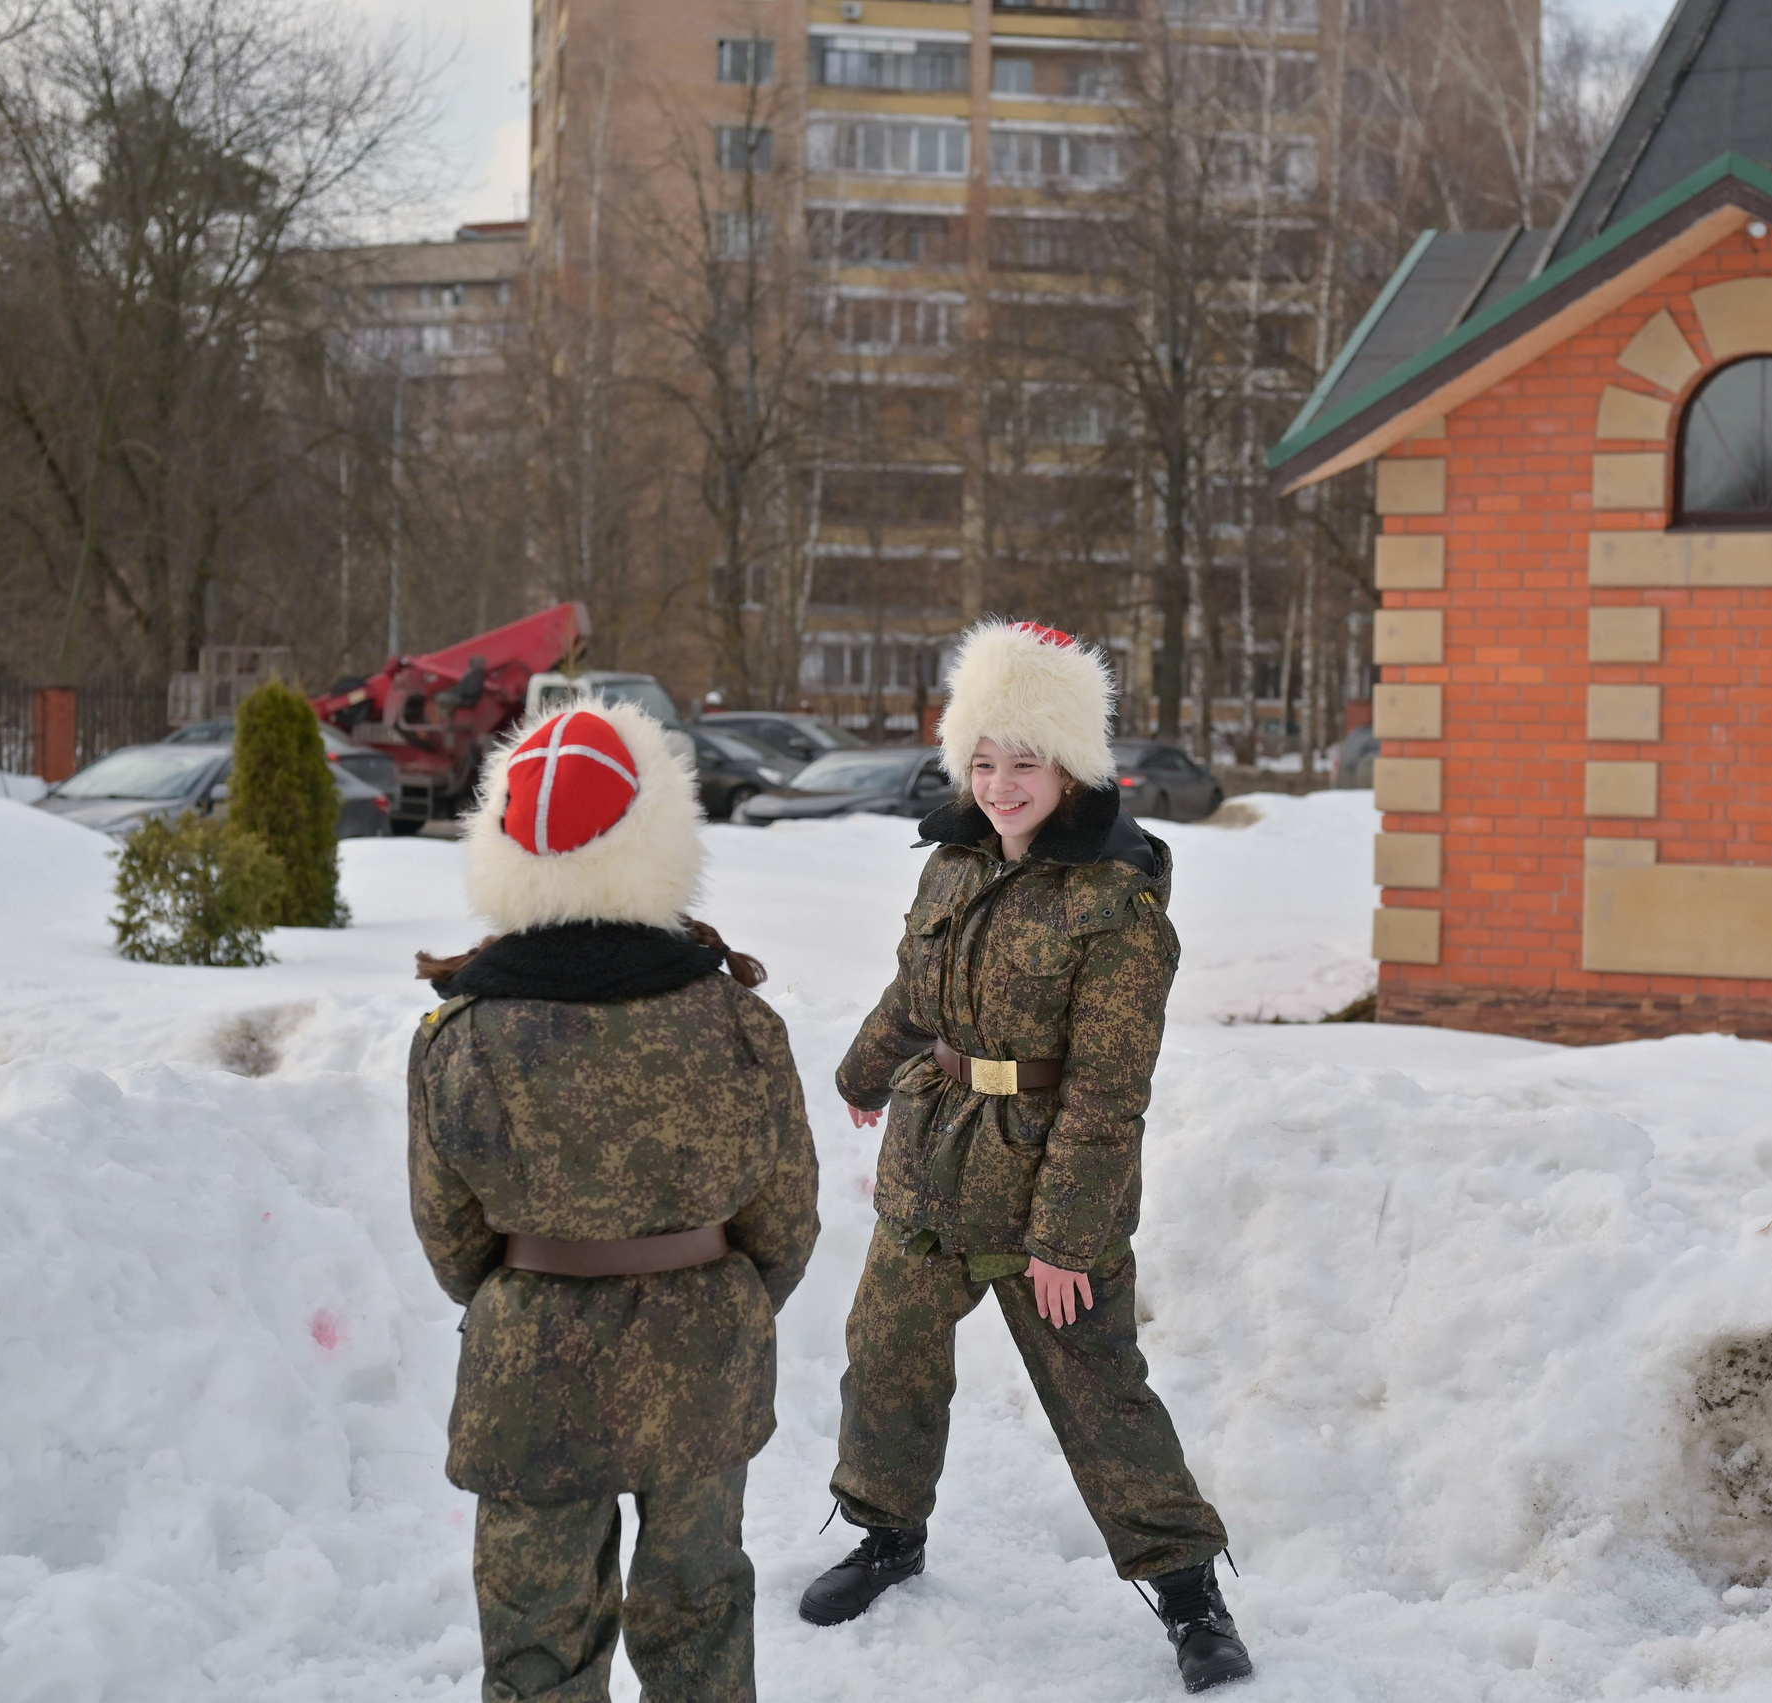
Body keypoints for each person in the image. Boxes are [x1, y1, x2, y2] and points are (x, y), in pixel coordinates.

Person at [799, 620, 1252, 1694]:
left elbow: (1107, 1093)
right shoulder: (954, 862)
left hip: (1050, 1173)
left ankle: (1189, 1592)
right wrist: (867, 1072)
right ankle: (884, 1532)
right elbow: (918, 989)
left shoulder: (1116, 904)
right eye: (985, 761)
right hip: (935, 1155)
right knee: (887, 1351)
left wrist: (1065, 1239)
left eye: (1025, 762)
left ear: (1071, 765)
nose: (1001, 785)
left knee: (1100, 1390)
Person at [408, 699, 820, 1703]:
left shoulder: (460, 1036)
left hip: (530, 1362)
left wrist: (532, 1286)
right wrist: (717, 1293)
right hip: (703, 1349)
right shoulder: (737, 1019)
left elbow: (450, 1232)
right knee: (698, 1620)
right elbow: (786, 1219)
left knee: (538, 1635)